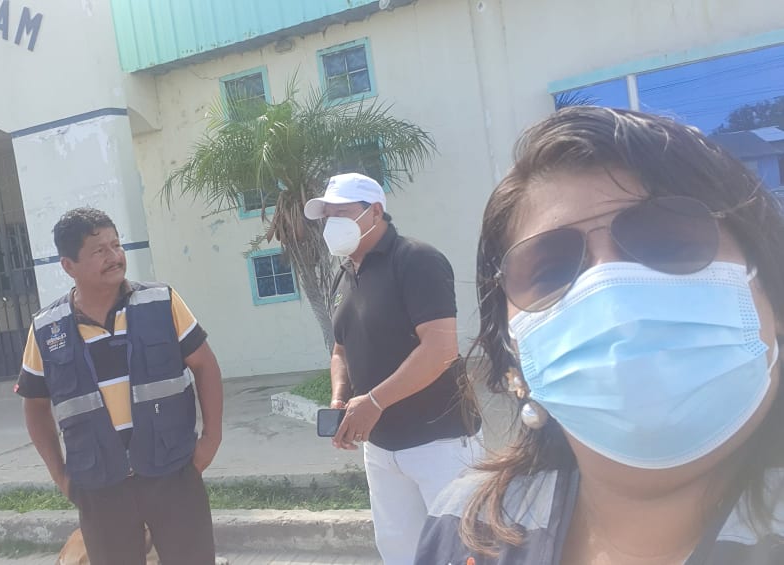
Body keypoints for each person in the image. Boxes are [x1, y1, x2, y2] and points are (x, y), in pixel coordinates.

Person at [416, 106, 784, 564]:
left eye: (668, 241)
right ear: (513, 353)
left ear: (771, 292)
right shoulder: (466, 527)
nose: (609, 291)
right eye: (551, 270)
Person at [17, 207, 224, 565]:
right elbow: (34, 405)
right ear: (68, 265)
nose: (114, 256)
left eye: (116, 245)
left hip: (172, 472)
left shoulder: (161, 302)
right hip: (99, 486)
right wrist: (60, 474)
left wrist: (211, 440)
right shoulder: (47, 329)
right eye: (100, 251)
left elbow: (205, 366)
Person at [304, 172, 482, 564]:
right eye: (326, 215)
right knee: (400, 552)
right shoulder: (345, 275)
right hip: (381, 449)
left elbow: (441, 349)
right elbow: (340, 350)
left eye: (341, 212)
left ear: (375, 212)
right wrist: (341, 400)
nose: (331, 223)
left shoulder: (416, 260)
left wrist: (374, 401)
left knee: (462, 552)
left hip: (441, 442)